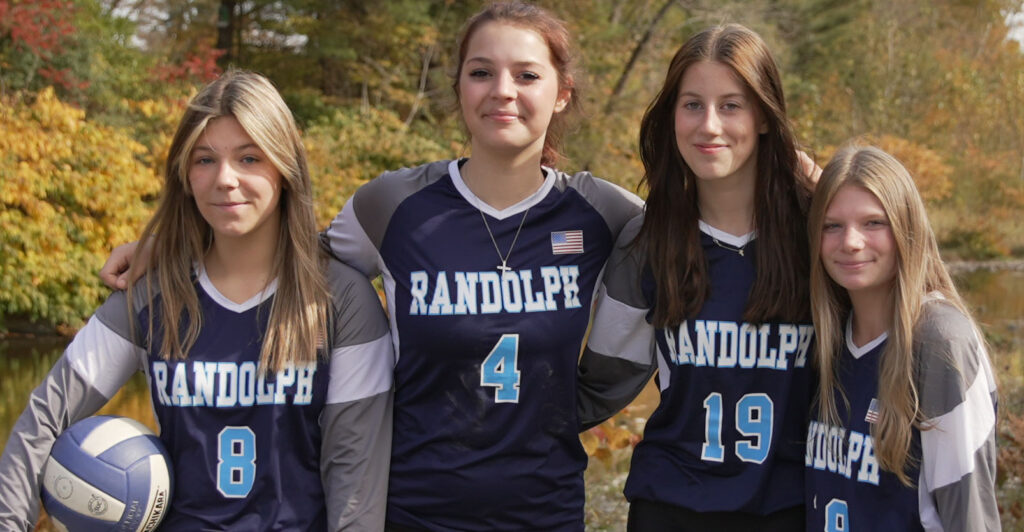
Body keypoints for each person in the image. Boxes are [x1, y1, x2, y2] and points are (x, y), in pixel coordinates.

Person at [101, 3, 642, 531]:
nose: (502, 90)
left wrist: (565, 411)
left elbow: (678, 248)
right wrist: (177, 246)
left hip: (546, 508)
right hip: (412, 509)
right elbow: (286, 254)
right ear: (459, 87)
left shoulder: (602, 212)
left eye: (527, 75)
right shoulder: (391, 205)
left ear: (562, 93)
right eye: (481, 72)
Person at [0, 70, 394, 531]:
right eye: (205, 159)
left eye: (249, 158)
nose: (225, 179)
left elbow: (355, 485)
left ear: (285, 169)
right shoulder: (153, 294)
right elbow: (43, 421)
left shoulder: (341, 300)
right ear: (185, 175)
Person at [577, 24, 816, 531]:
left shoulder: (819, 232)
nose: (709, 125)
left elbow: (895, 338)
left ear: (764, 115)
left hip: (792, 505)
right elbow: (603, 382)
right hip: (671, 505)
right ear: (672, 116)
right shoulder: (648, 240)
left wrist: (826, 190)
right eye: (692, 105)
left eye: (731, 105)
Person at [803, 145, 1000, 531]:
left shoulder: (940, 342)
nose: (851, 242)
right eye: (832, 225)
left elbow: (969, 518)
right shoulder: (829, 338)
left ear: (906, 229)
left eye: (873, 223)